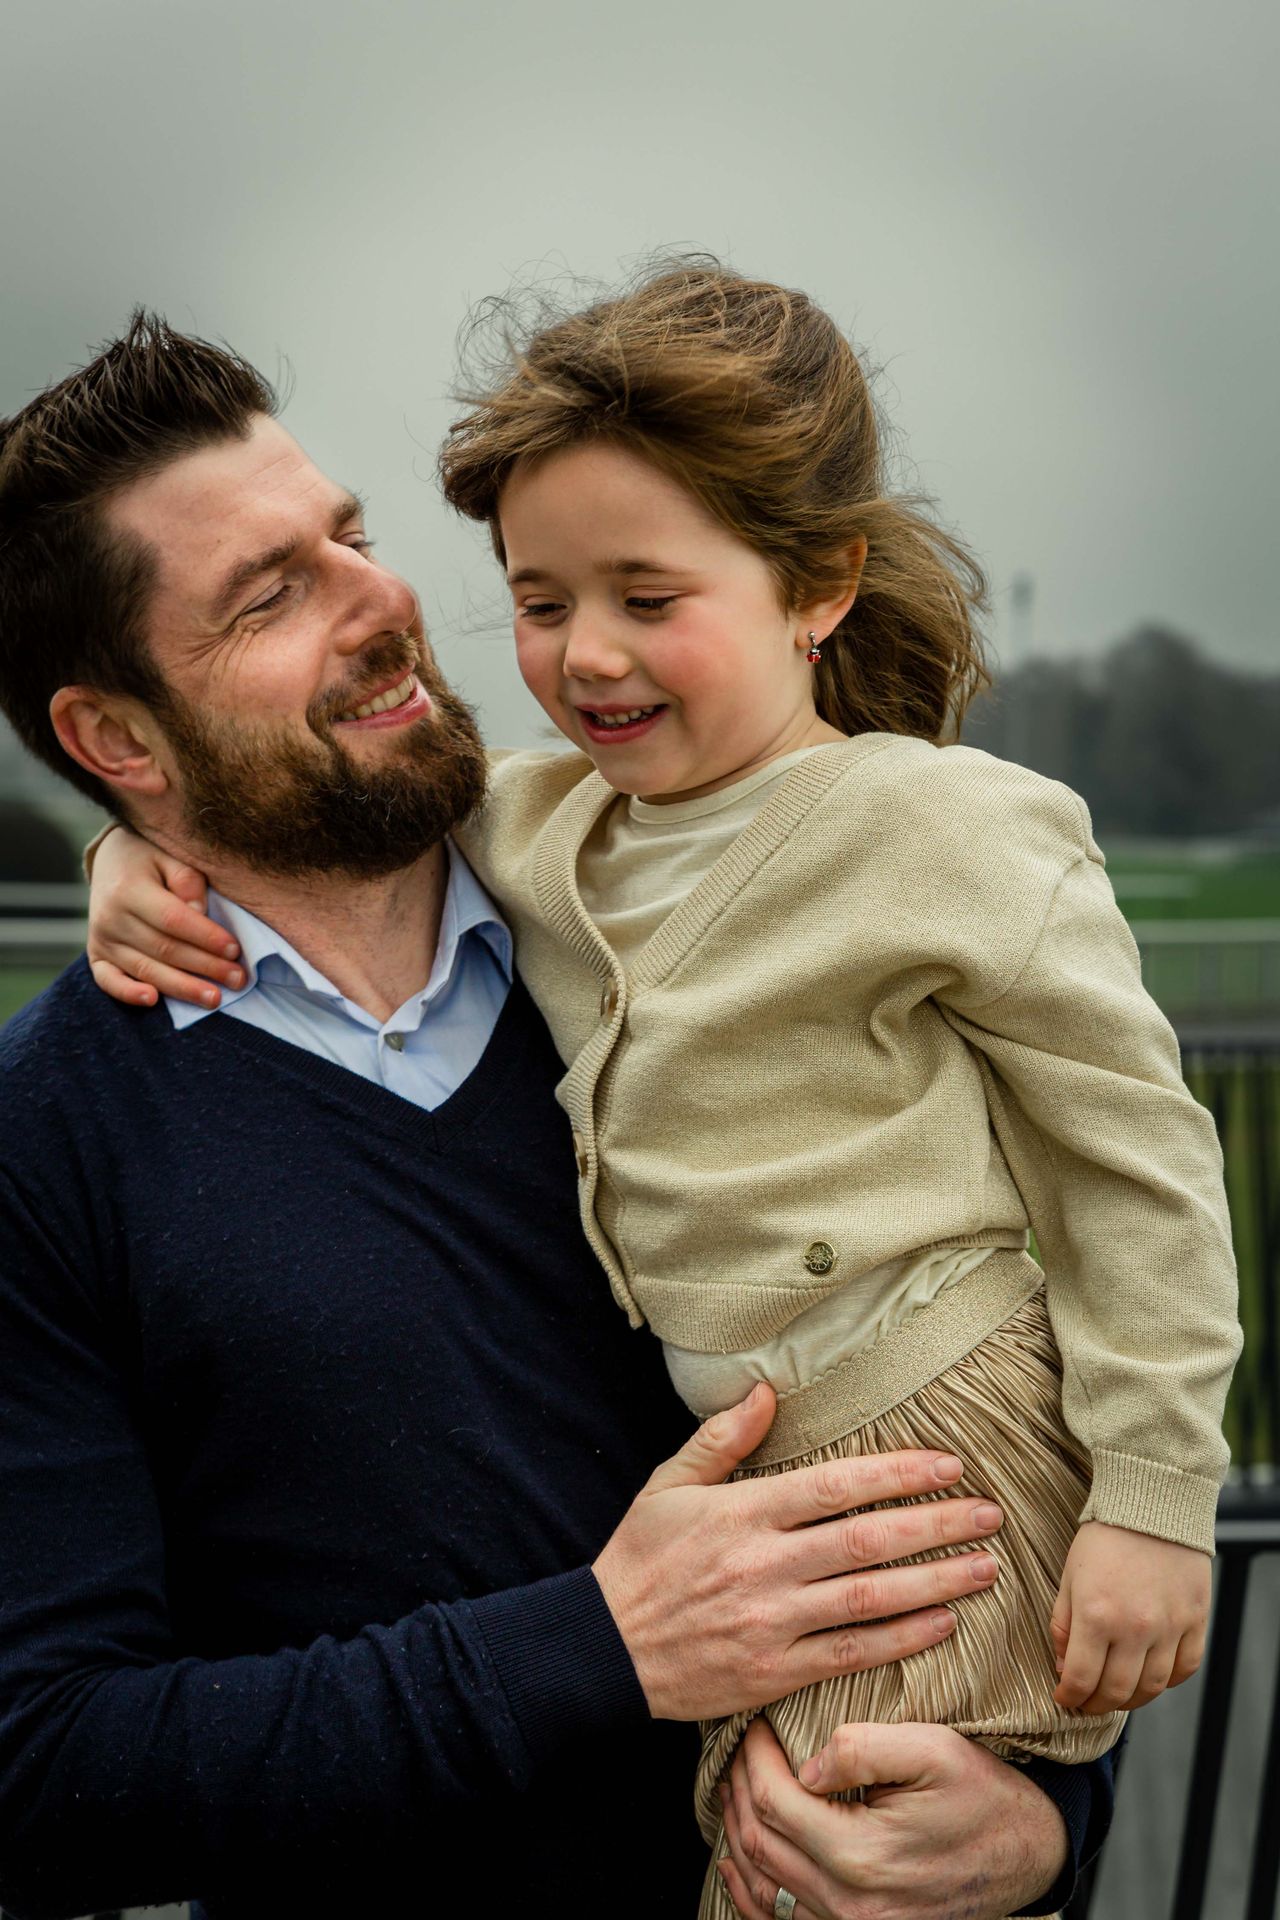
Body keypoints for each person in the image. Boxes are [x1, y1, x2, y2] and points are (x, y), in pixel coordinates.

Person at [88, 266, 1239, 1917]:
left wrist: (1151, 1500)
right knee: (781, 1853)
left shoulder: (950, 829)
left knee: (808, 1862)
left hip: (929, 1437)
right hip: (768, 1462)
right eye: (541, 602)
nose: (587, 655)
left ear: (819, 583)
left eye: (648, 593)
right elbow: (294, 798)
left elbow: (1138, 1172)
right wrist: (135, 844)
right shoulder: (540, 826)